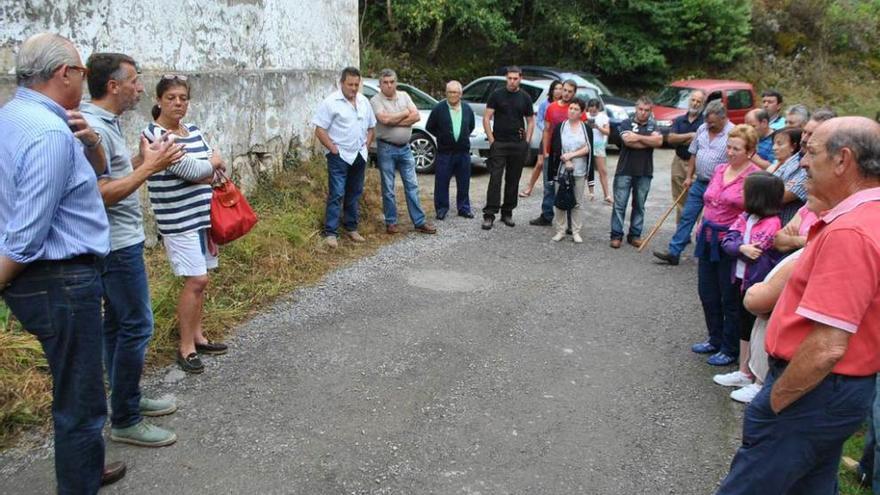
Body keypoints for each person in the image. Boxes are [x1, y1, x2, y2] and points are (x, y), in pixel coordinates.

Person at [715, 116, 880, 494]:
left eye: (811, 152)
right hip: (836, 391)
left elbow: (827, 346)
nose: (803, 161)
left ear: (843, 160)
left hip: (813, 391)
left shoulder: (851, 230)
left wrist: (775, 403)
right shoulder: (866, 217)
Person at [0, 32, 126, 492]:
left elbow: (88, 173)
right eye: (78, 70)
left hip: (50, 280)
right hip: (59, 280)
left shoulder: (17, 117)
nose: (83, 76)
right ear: (61, 74)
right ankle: (79, 482)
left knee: (77, 388)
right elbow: (28, 235)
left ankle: (86, 466)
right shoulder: (49, 133)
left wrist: (92, 142)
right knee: (81, 399)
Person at [82, 53, 183, 447]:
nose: (140, 88)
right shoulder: (93, 128)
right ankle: (125, 418)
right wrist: (150, 168)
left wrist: (145, 159)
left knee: (116, 326)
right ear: (114, 86)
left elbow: (116, 176)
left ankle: (127, 398)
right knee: (138, 325)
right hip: (115, 245)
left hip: (119, 241)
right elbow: (101, 193)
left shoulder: (107, 124)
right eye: (135, 81)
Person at [143, 75, 227, 374]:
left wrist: (208, 166)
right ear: (159, 101)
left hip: (202, 215)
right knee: (196, 280)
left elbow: (209, 164)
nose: (178, 103)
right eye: (171, 98)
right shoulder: (155, 136)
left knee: (202, 280)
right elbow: (193, 168)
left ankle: (198, 336)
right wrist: (210, 165)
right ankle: (185, 347)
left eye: (182, 98)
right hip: (177, 219)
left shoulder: (191, 130)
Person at [690, 124, 762, 366]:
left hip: (731, 242)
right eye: (728, 147)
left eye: (737, 149)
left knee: (728, 296)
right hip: (707, 238)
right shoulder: (720, 169)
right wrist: (700, 223)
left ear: (750, 151)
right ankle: (714, 338)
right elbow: (708, 201)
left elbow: (752, 213)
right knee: (707, 292)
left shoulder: (753, 178)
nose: (730, 152)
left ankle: (730, 347)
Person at [713, 172, 784, 390]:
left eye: (745, 191)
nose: (741, 194)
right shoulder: (745, 217)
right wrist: (741, 248)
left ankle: (757, 376)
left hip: (758, 284)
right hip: (740, 279)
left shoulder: (772, 223)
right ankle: (744, 371)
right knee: (744, 326)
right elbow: (729, 241)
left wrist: (739, 247)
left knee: (757, 328)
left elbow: (758, 248)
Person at [653, 100, 733, 263]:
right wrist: (689, 176)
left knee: (710, 221)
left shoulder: (733, 133)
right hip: (699, 182)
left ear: (722, 118)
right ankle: (674, 252)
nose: (708, 125)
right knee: (687, 215)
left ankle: (706, 256)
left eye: (712, 122)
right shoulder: (702, 129)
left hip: (720, 186)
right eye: (707, 121)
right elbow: (694, 153)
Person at [313, 67, 376, 248]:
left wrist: (367, 144)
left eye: (357, 84)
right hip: (339, 156)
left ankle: (351, 228)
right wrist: (333, 149)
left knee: (354, 192)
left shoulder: (364, 101)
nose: (354, 88)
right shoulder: (331, 102)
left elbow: (371, 127)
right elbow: (319, 129)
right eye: (350, 84)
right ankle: (331, 233)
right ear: (342, 83)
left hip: (359, 154)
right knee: (337, 193)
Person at [370, 68, 436, 234]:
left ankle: (419, 221)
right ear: (380, 84)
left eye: (392, 82)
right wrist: (405, 114)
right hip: (386, 148)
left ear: (396, 82)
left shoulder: (405, 96)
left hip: (405, 148)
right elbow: (383, 119)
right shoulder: (375, 100)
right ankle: (391, 222)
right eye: (385, 82)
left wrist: (394, 120)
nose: (389, 85)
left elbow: (416, 117)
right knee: (389, 188)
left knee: (412, 185)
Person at [481, 66, 535, 230]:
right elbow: (486, 117)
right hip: (499, 143)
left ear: (520, 79)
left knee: (513, 179)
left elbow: (531, 121)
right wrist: (492, 141)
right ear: (506, 78)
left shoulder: (525, 97)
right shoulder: (496, 95)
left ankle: (507, 212)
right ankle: (489, 214)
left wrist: (527, 141)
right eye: (510, 78)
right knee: (495, 178)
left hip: (518, 144)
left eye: (515, 78)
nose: (512, 81)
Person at [608, 96, 662, 248]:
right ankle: (616, 235)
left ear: (650, 111)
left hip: (645, 171)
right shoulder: (626, 122)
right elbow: (628, 141)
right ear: (636, 109)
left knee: (639, 205)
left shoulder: (653, 125)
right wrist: (648, 141)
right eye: (640, 109)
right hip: (625, 169)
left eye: (646, 110)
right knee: (620, 204)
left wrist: (637, 137)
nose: (643, 113)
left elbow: (659, 142)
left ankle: (635, 235)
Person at [530, 79, 582, 226]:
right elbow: (546, 130)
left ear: (574, 93)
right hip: (552, 153)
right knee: (549, 185)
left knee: (569, 187)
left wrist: (576, 155)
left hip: (570, 155)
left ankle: (569, 222)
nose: (565, 93)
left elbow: (583, 132)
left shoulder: (576, 109)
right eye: (564, 90)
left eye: (569, 91)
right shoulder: (551, 107)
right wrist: (546, 151)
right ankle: (546, 216)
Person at [772, 109, 836, 226]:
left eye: (811, 134)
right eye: (804, 132)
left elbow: (778, 197)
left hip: (791, 228)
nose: (804, 138)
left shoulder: (818, 166)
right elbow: (770, 181)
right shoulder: (798, 155)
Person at [426, 80, 476, 220]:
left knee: (464, 182)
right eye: (450, 92)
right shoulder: (439, 108)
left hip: (463, 152)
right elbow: (430, 126)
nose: (452, 95)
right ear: (446, 93)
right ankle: (442, 208)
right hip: (445, 152)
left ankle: (464, 208)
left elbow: (470, 125)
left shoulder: (467, 109)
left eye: (455, 92)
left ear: (460, 94)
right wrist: (442, 137)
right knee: (442, 181)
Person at [546, 99, 592, 243]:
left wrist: (571, 156)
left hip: (579, 170)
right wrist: (565, 160)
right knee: (560, 200)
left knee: (577, 202)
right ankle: (560, 230)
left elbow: (588, 148)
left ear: (581, 112)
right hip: (562, 169)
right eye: (570, 108)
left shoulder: (586, 128)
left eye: (576, 109)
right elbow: (555, 148)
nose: (572, 111)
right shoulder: (561, 127)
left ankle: (576, 231)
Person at [665, 90, 705, 221]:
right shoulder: (679, 120)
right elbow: (670, 139)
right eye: (693, 100)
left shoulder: (705, 123)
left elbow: (700, 141)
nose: (695, 103)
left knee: (697, 199)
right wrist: (690, 136)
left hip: (697, 164)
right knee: (679, 199)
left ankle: (699, 233)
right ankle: (681, 232)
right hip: (678, 161)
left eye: (699, 101)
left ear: (703, 104)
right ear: (689, 101)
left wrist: (680, 139)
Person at [520, 80, 562, 198]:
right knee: (539, 163)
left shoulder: (564, 104)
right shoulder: (545, 104)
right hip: (546, 138)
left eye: (560, 88)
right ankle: (529, 187)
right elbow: (538, 120)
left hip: (560, 140)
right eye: (556, 88)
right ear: (552, 90)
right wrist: (546, 129)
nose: (558, 91)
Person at [586, 98, 612, 204]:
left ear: (598, 109)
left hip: (598, 145)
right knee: (586, 170)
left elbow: (607, 132)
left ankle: (607, 195)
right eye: (590, 110)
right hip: (586, 144)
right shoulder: (585, 116)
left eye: (594, 111)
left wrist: (597, 127)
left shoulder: (603, 117)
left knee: (603, 171)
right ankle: (590, 193)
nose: (592, 113)